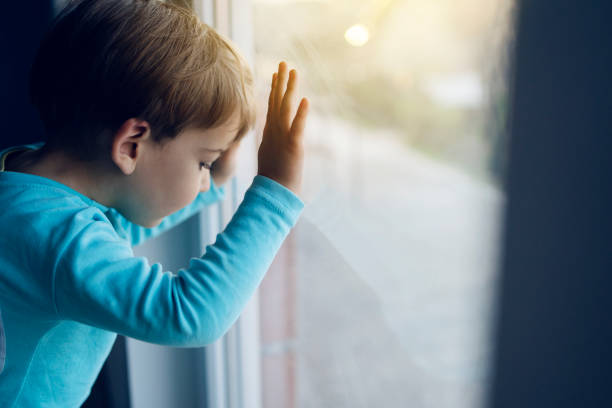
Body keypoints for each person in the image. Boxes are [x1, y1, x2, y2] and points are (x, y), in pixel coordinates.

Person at [0, 0, 309, 406]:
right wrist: (275, 192)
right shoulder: (57, 240)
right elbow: (187, 315)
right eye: (203, 161)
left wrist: (216, 176)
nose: (202, 182)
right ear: (131, 145)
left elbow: (113, 224)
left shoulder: (24, 178)